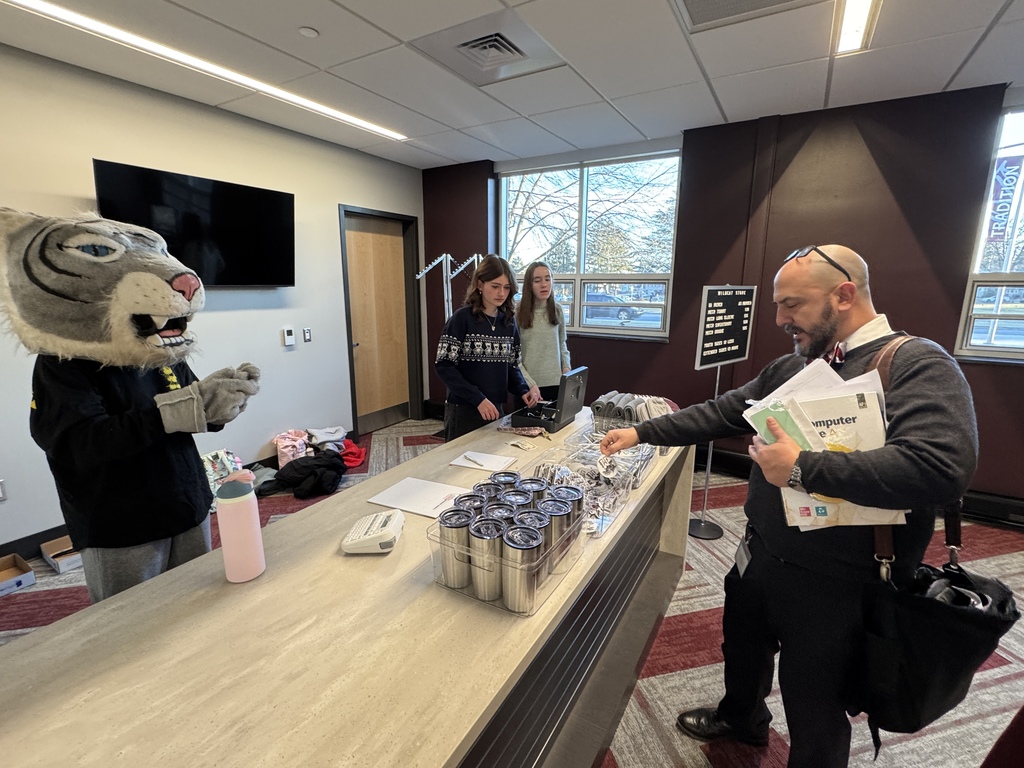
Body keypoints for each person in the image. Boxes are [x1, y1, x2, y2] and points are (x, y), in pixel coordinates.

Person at [600, 244, 978, 768]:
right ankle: (743, 719)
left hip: (839, 582)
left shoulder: (917, 364)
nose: (779, 319)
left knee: (814, 702)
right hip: (761, 554)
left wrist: (803, 467)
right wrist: (642, 431)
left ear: (843, 295)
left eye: (792, 304)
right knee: (743, 650)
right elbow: (725, 411)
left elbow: (940, 467)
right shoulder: (794, 364)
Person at [0, 207, 260, 603]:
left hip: (186, 503)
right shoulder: (63, 363)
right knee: (132, 626)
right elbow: (79, 444)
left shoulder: (161, 346)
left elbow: (188, 407)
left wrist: (219, 404)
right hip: (120, 525)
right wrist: (173, 412)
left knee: (199, 607)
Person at [435, 254, 539, 442]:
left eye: (506, 288)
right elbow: (444, 366)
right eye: (495, 286)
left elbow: (512, 367)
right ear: (480, 285)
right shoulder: (461, 318)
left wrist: (524, 389)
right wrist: (478, 399)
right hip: (464, 409)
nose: (501, 293)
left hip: (495, 409)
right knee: (460, 460)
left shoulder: (509, 323)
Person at [516, 260, 572, 403]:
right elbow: (515, 356)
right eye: (537, 280)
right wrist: (529, 383)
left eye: (547, 279)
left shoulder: (557, 310)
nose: (544, 284)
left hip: (556, 384)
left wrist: (566, 369)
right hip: (529, 387)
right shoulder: (517, 312)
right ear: (529, 285)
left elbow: (562, 344)